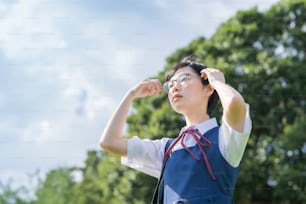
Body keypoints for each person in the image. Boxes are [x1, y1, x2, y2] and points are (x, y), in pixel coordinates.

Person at [99, 56, 252, 204]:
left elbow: (234, 103)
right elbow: (109, 142)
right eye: (170, 85)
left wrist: (217, 82)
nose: (175, 87)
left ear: (208, 88)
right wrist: (131, 95)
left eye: (184, 79)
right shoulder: (165, 150)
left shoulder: (225, 138)